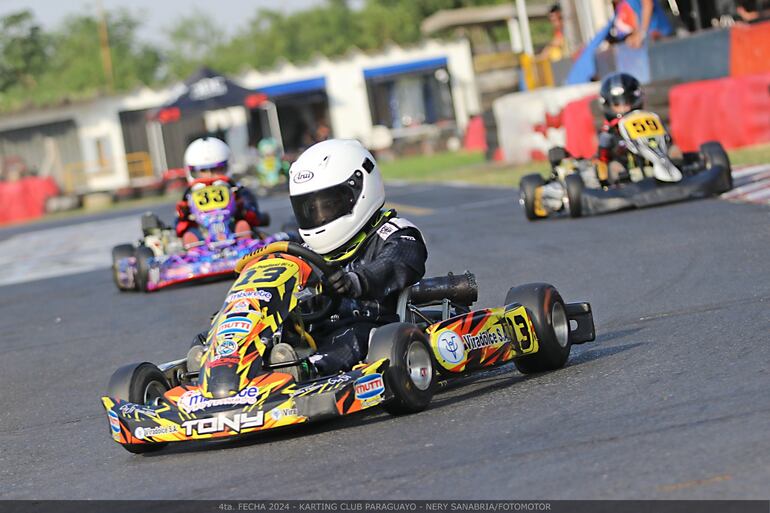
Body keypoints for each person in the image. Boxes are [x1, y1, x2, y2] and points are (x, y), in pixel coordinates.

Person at [274, 138, 428, 376]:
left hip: (374, 327)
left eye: (327, 205)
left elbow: (397, 263)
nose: (319, 215)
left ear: (359, 190)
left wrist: (355, 281)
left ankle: (307, 371)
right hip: (315, 328)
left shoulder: (394, 233)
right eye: (310, 209)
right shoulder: (304, 249)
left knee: (351, 337)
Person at [175, 137, 268, 246]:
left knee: (242, 224)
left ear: (227, 166)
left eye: (216, 170)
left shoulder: (237, 190)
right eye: (203, 171)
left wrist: (241, 206)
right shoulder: (188, 196)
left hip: (234, 234)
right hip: (203, 239)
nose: (210, 175)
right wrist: (184, 212)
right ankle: (193, 252)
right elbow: (178, 225)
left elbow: (255, 216)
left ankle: (246, 243)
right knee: (189, 234)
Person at [595, 72, 645, 185]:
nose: (623, 108)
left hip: (651, 161)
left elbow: (666, 140)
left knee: (675, 150)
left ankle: (679, 167)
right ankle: (623, 184)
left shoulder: (648, 120)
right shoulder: (609, 131)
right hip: (625, 168)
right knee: (615, 166)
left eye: (626, 103)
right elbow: (602, 157)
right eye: (617, 105)